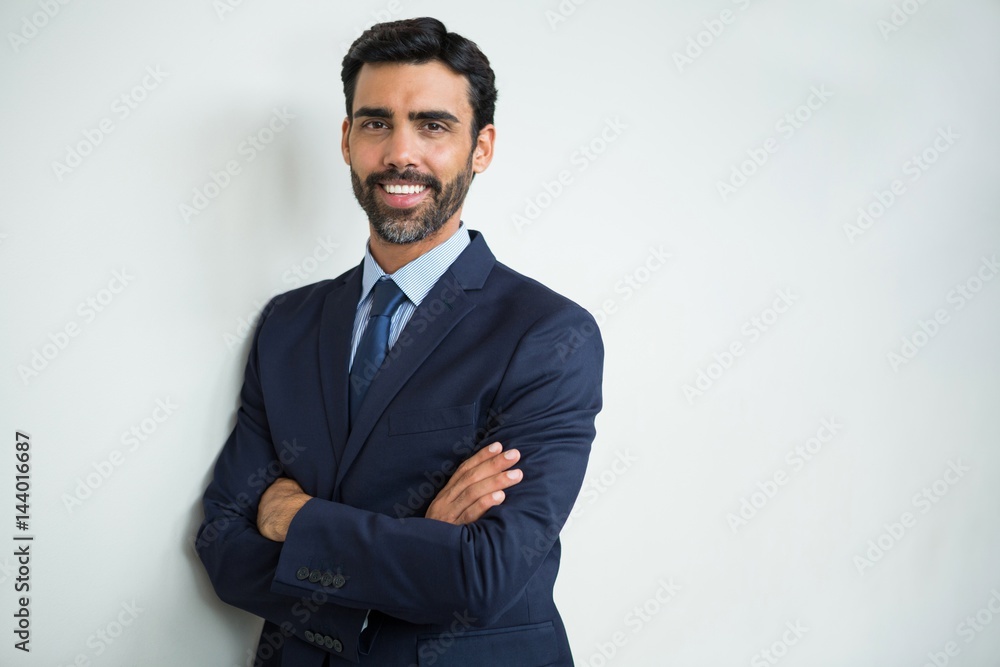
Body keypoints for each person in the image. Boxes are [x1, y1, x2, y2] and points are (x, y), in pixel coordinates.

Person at [196, 17, 603, 667]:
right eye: (376, 122)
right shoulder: (288, 324)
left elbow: (483, 576)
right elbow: (224, 544)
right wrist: (416, 544)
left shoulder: (548, 334)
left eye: (433, 126)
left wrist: (295, 519)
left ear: (482, 147)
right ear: (347, 139)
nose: (399, 153)